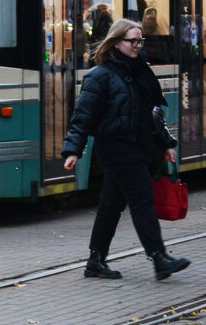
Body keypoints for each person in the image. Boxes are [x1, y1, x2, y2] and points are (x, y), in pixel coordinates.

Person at [62, 18, 191, 281]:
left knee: (111, 205)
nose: (137, 46)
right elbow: (83, 116)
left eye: (140, 41)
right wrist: (73, 149)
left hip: (141, 146)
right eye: (132, 41)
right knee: (142, 199)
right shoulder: (100, 75)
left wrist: (166, 143)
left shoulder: (141, 72)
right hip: (116, 148)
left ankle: (95, 261)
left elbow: (153, 113)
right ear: (116, 42)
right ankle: (159, 258)